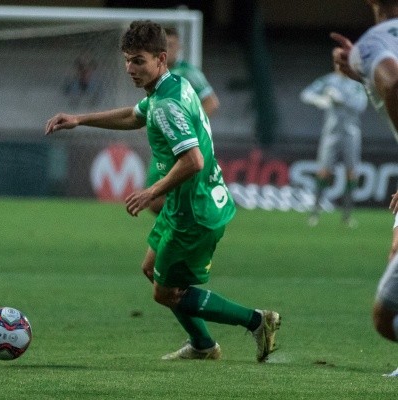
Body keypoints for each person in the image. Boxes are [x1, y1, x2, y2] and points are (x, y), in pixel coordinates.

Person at [46, 20, 280, 362]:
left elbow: (193, 160)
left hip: (194, 211)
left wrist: (149, 191)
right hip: (187, 204)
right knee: (150, 269)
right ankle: (203, 346)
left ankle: (257, 321)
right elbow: (132, 116)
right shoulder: (173, 87)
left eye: (138, 60)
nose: (130, 68)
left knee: (165, 292)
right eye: (127, 60)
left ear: (161, 59)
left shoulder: (167, 106)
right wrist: (80, 119)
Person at [331, 0, 398, 377]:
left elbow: (395, 81)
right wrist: (358, 71)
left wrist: (362, 62)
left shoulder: (375, 42)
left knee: (384, 316)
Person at [145, 27, 220, 215]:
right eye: (164, 45)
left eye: (171, 45)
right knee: (153, 202)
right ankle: (186, 219)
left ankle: (196, 217)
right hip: (164, 144)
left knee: (160, 197)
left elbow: (212, 103)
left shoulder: (188, 72)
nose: (168, 49)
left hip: (182, 144)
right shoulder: (157, 74)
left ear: (179, 46)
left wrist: (189, 129)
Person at [299, 63, 368, 228]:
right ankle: (315, 213)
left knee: (351, 173)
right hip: (331, 134)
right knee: (323, 172)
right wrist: (319, 99)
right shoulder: (328, 81)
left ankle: (347, 216)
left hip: (351, 134)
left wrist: (341, 100)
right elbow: (305, 94)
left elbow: (361, 105)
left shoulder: (356, 86)